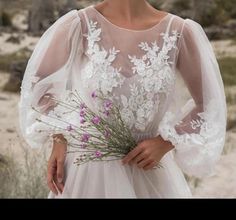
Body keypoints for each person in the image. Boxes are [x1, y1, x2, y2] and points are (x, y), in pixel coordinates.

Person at [19, 0, 227, 198]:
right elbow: (37, 86)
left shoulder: (179, 32)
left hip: (148, 170)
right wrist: (59, 137)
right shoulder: (79, 24)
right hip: (87, 171)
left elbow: (208, 104)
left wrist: (166, 141)